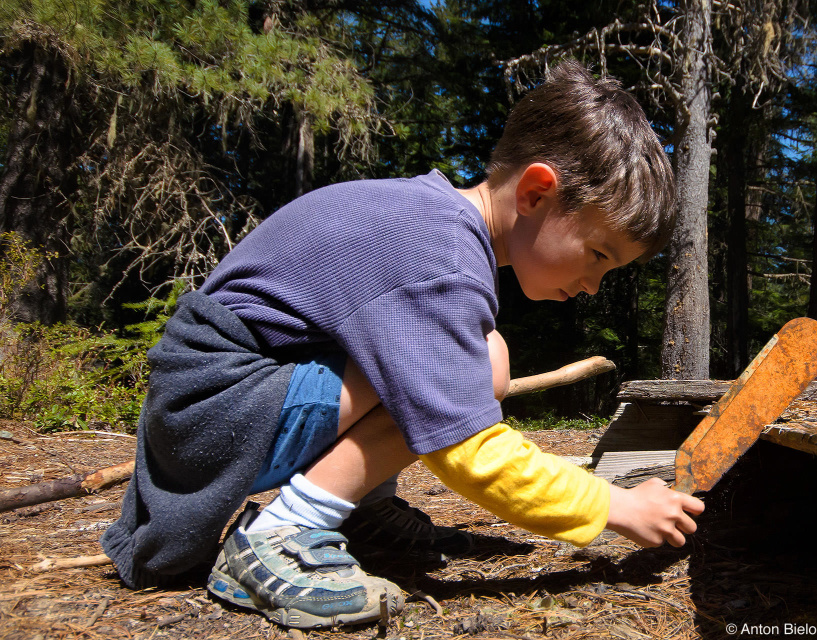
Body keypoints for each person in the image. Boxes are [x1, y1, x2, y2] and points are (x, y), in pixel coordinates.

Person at [100, 60, 704, 629]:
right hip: (212, 413)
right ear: (536, 193)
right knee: (461, 374)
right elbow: (469, 451)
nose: (594, 286)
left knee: (480, 356)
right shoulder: (436, 255)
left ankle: (355, 511)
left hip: (211, 408)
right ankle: (281, 535)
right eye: (598, 255)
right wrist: (612, 506)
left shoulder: (432, 220)